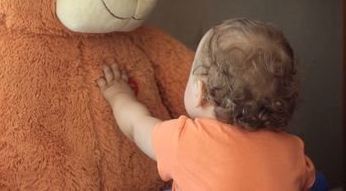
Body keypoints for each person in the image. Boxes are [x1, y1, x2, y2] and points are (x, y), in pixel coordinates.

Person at [97, 19, 315, 190]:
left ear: (199, 91)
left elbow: (136, 125)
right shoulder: (293, 150)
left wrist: (118, 93)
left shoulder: (186, 141)